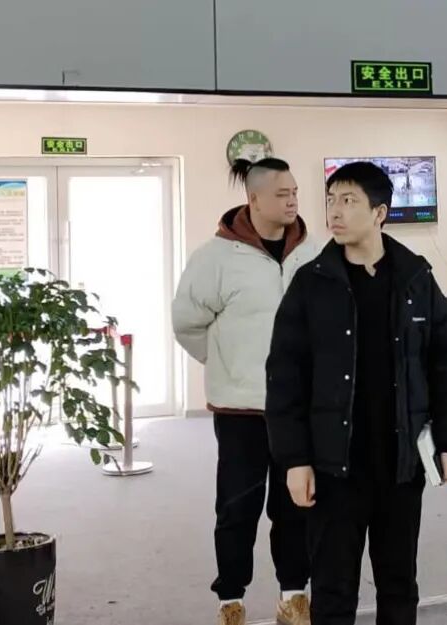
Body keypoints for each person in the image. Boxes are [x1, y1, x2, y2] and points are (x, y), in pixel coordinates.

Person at [265, 161, 447, 625]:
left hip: (400, 465)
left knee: (399, 583)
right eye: (331, 201)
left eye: (349, 201)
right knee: (333, 587)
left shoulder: (416, 279)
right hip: (334, 466)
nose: (334, 212)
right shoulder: (312, 283)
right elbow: (284, 376)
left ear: (380, 213)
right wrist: (294, 459)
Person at [172, 157, 319, 625]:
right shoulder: (215, 258)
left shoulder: (314, 253)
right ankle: (230, 600)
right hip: (241, 410)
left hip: (297, 409)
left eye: (294, 192)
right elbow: (187, 324)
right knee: (237, 508)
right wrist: (226, 363)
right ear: (253, 199)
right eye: (281, 194)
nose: (292, 201)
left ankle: (293, 596)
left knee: (295, 506)